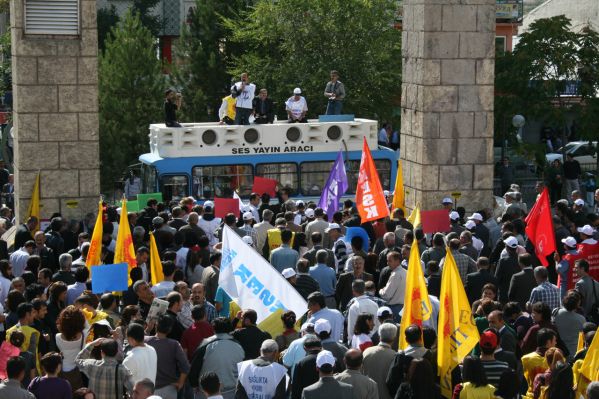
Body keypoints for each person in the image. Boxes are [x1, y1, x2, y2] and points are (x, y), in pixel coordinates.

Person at [188, 318, 244, 399]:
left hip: (206, 392)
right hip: (231, 391)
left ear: (213, 328)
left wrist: (194, 384)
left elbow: (194, 367)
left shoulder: (206, 344)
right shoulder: (239, 346)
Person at [145, 315, 190, 399]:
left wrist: (148, 329)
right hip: (169, 389)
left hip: (149, 389)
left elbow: (138, 340)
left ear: (156, 325)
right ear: (169, 329)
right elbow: (186, 366)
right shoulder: (174, 344)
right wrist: (180, 383)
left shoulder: (146, 341)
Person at [386, 324, 433, 398]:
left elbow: (391, 380)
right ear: (421, 338)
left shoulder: (401, 356)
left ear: (406, 339)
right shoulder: (430, 355)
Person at [363, 323, 398, 399]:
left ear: (379, 335)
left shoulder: (366, 352)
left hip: (367, 395)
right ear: (394, 337)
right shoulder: (395, 356)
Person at [55, 305, 86, 391]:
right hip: (77, 370)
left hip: (62, 370)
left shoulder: (57, 337)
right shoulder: (84, 335)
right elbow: (87, 325)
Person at [553, 291, 585, 360]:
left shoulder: (556, 312)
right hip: (575, 353)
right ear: (578, 303)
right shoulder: (581, 319)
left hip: (558, 352)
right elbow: (583, 337)